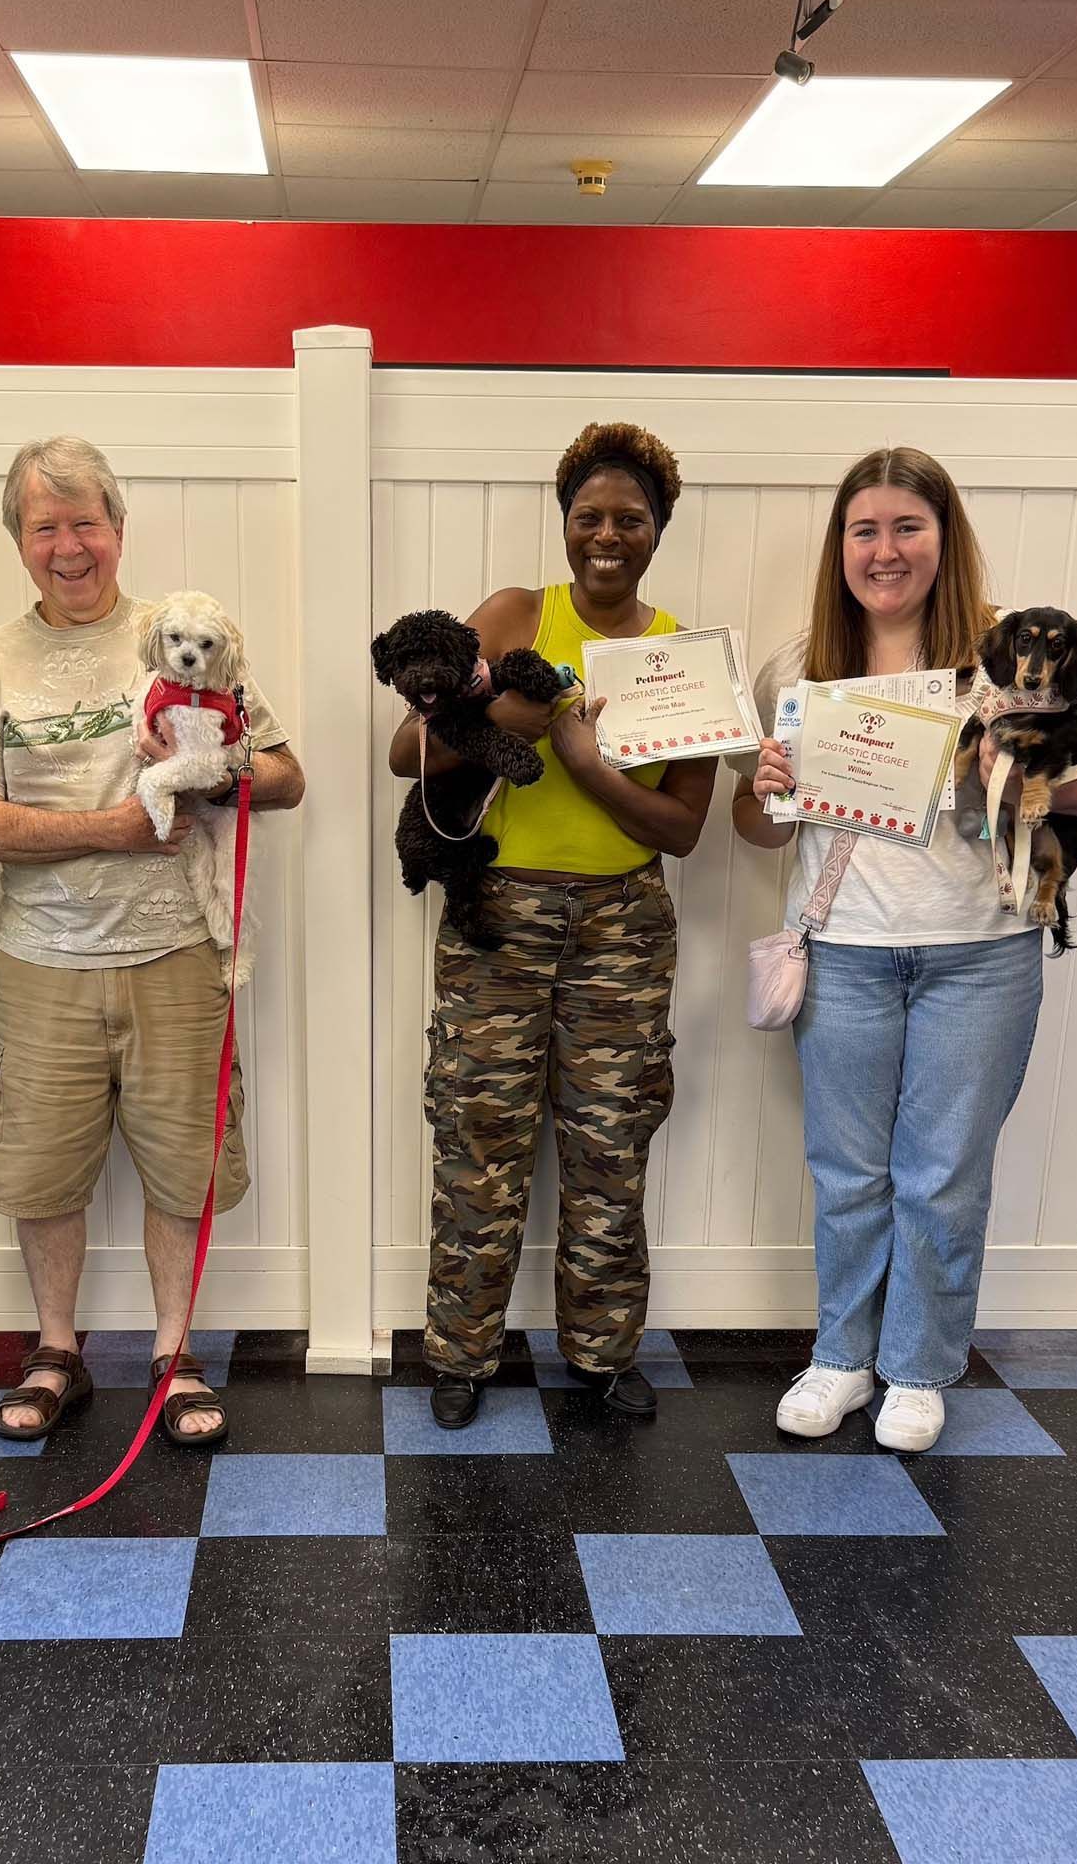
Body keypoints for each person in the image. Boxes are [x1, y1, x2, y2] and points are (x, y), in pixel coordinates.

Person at [732, 446, 1077, 1452]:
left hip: (982, 953)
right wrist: (765, 783)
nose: (885, 549)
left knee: (943, 1171)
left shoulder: (1013, 656)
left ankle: (917, 1367)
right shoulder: (799, 665)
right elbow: (763, 830)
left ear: (944, 539)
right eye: (864, 529)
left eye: (907, 526)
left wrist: (1021, 774)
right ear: (840, 547)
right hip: (848, 952)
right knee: (848, 1170)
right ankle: (840, 1357)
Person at [0, 437, 303, 1445]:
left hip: (179, 953)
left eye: (85, 523)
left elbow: (284, 773)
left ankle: (173, 1351)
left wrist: (212, 778)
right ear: (20, 541)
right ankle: (56, 1349)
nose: (69, 546)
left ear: (117, 526)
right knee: (43, 1170)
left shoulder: (182, 628)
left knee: (181, 1161)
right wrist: (111, 827)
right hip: (41, 957)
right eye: (45, 527)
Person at [387, 421, 716, 1430]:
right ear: (565, 523)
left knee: (611, 1148)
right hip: (500, 914)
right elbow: (406, 746)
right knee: (476, 1138)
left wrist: (586, 766)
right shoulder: (517, 611)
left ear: (658, 529)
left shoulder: (685, 658)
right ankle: (461, 1353)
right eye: (589, 516)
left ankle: (605, 1353)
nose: (607, 534)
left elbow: (686, 829)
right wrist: (499, 730)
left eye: (630, 518)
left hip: (624, 923)